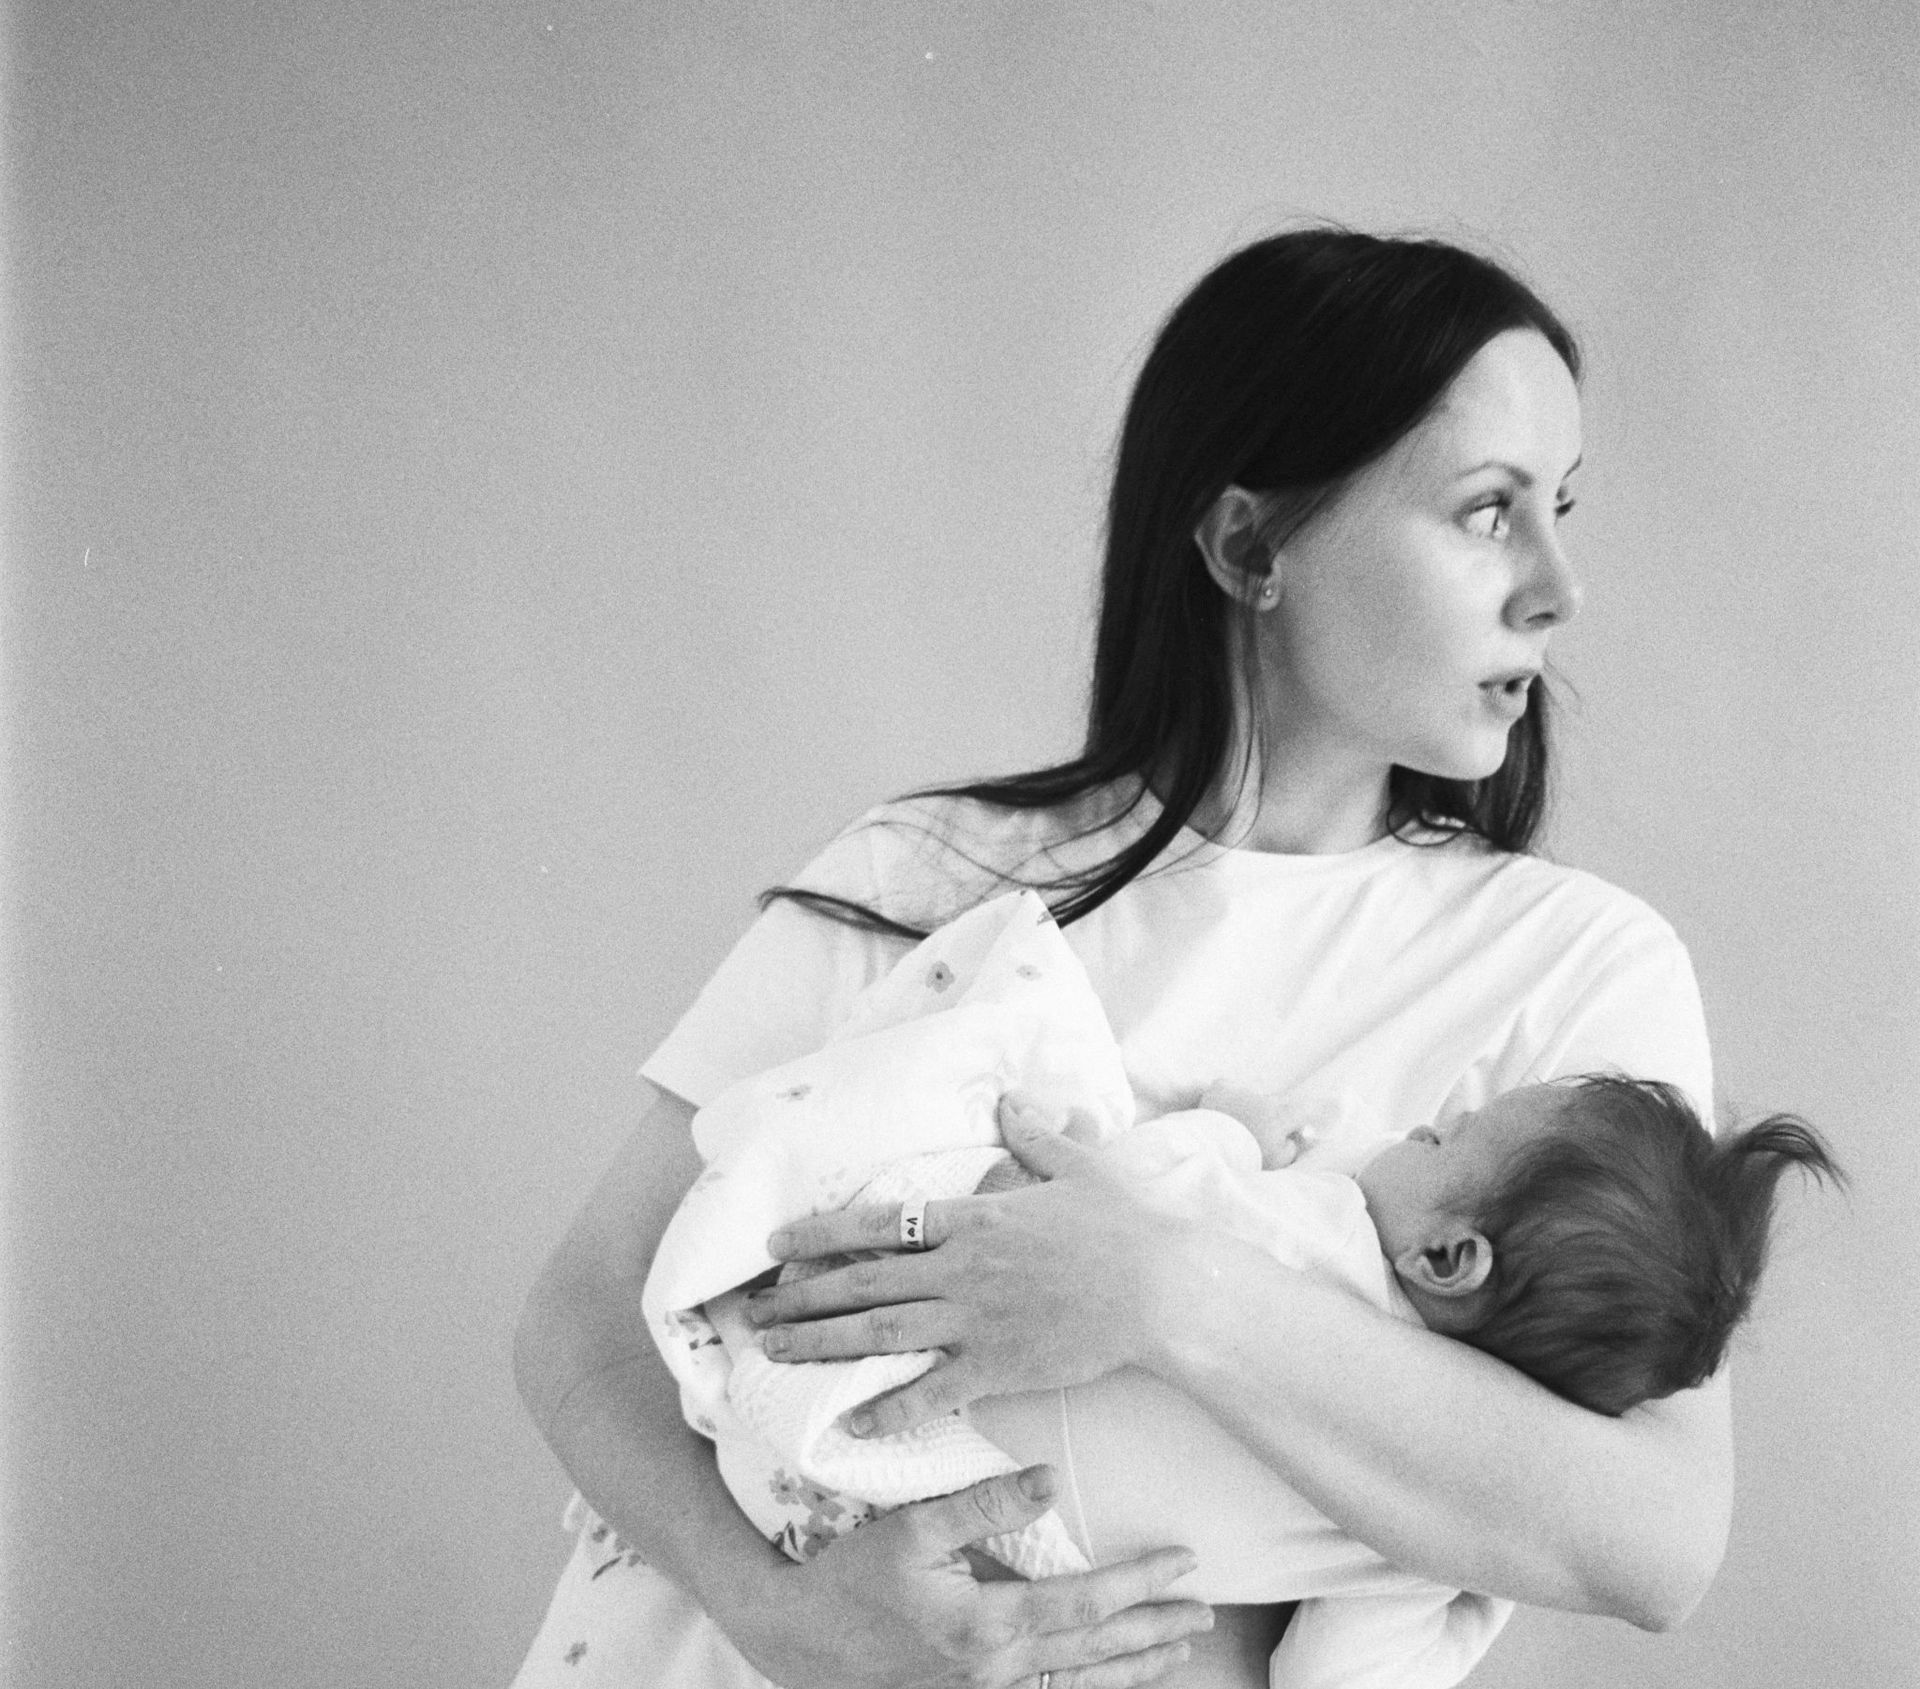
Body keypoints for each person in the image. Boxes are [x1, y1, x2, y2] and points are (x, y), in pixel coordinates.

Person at [512, 228, 1739, 1689]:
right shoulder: (927, 874)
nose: (1558, 587)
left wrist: (1157, 1290)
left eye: (1561, 506)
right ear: (1250, 548)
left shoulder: (1572, 968)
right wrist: (780, 1610)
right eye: (1488, 510)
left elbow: (1656, 1539)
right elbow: (585, 1317)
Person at [613, 887, 1837, 1689]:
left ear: (1448, 1258)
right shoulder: (1419, 1531)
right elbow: (1333, 1682)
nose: (1408, 1131)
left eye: (1441, 1136)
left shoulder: (1319, 1225)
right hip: (900, 1524)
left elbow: (1148, 1184)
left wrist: (1231, 1141)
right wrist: (1472, 1597)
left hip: (859, 1415)